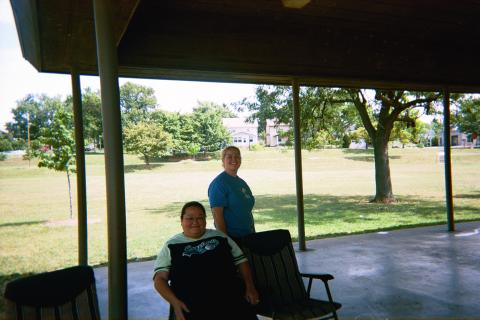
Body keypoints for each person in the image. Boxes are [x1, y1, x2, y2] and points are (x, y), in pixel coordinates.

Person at [153, 201, 259, 320]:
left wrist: (250, 287)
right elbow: (159, 279)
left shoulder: (220, 237)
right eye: (190, 218)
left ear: (205, 220)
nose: (195, 222)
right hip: (192, 305)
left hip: (230, 298)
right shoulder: (171, 245)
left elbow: (241, 261)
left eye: (200, 218)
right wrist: (174, 302)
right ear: (181, 220)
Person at [208, 146, 255, 242]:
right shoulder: (219, 183)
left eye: (237, 156)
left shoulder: (241, 182)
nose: (234, 159)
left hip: (249, 236)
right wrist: (227, 242)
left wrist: (254, 233)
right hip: (233, 239)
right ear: (223, 160)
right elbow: (217, 217)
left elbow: (247, 211)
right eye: (229, 156)